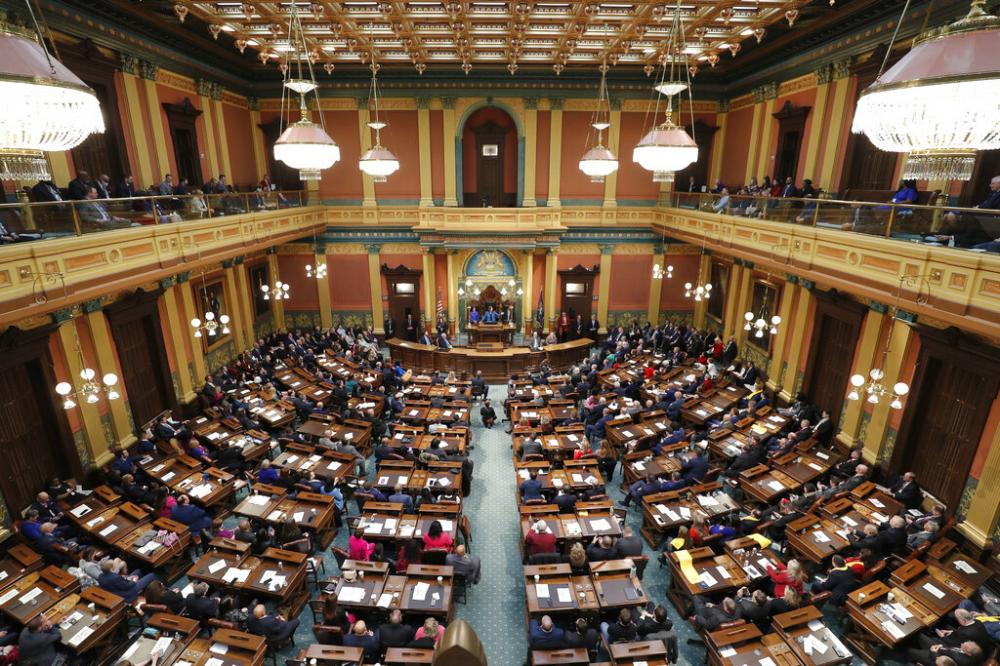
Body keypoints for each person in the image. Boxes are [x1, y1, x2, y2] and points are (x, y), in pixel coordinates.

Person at [906, 637, 983, 666]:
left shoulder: (959, 659)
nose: (962, 644)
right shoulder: (968, 651)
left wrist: (933, 652)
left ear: (968, 653)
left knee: (910, 651)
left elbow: (941, 662)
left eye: (964, 645)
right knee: (919, 636)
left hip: (934, 658)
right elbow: (952, 649)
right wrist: (941, 646)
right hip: (939, 649)